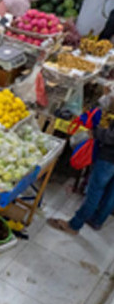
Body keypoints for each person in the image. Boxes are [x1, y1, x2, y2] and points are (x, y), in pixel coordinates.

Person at [48, 91, 114, 233]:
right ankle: (97, 221)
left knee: (95, 190)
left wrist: (96, 133)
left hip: (109, 157)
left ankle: (74, 225)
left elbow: (111, 136)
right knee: (111, 193)